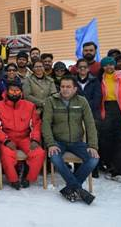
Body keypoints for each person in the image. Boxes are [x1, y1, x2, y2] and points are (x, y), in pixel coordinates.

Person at [42, 76, 99, 204]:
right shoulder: (52, 101)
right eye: (62, 87)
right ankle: (77, 188)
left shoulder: (82, 101)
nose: (65, 89)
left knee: (94, 159)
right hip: (58, 142)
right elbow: (46, 124)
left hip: (77, 142)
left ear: (74, 88)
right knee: (55, 157)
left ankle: (71, 188)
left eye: (68, 87)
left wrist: (93, 145)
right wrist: (51, 144)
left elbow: (90, 124)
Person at [0, 83, 45, 190]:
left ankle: (28, 178)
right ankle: (13, 180)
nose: (14, 93)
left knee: (39, 153)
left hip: (25, 138)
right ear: (7, 92)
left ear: (21, 92)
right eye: (11, 91)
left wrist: (34, 139)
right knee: (6, 155)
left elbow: (36, 125)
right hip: (8, 138)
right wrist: (5, 141)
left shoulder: (30, 106)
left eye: (17, 91)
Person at [99, 57, 121, 182]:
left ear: (114, 66)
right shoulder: (101, 78)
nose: (109, 67)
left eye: (111, 65)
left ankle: (119, 172)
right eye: (106, 65)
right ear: (103, 67)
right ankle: (111, 169)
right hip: (107, 110)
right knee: (107, 141)